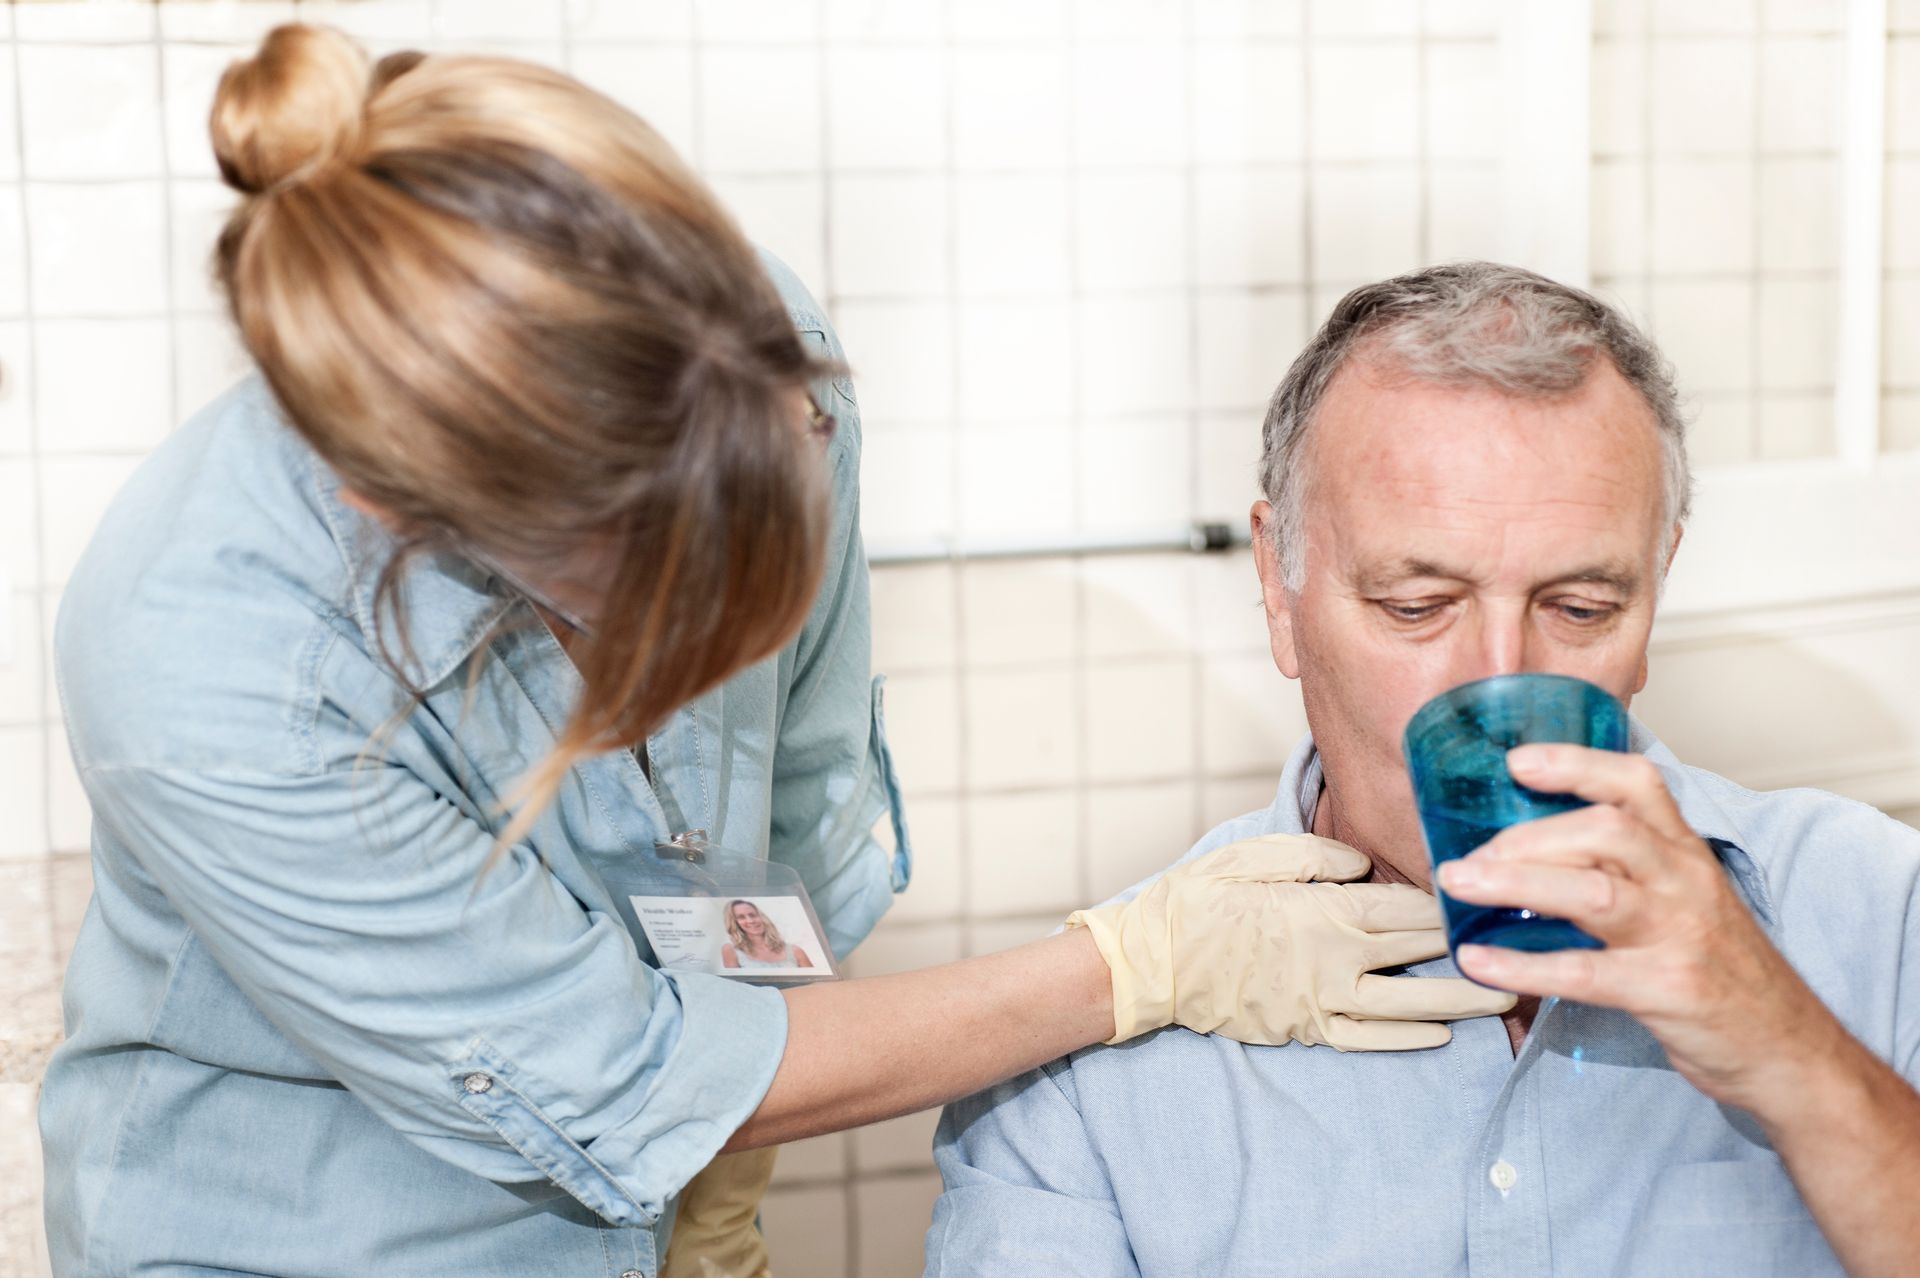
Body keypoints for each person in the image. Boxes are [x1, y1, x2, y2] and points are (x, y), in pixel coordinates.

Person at [35, 27, 1514, 1278]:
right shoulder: (213, 667)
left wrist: (723, 1171)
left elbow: (776, 802)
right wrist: (1138, 965)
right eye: (675, 575)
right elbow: (613, 1080)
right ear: (451, 524)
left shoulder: (755, 359)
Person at [929, 263, 1920, 1277]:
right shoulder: (1077, 1067)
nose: (1497, 682)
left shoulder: (1881, 917)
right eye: (1417, 606)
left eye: (1580, 607)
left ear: (1657, 586)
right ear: (1280, 588)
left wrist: (1802, 1062)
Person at [721, 900, 814, 970]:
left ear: (762, 917)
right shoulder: (730, 950)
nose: (750, 921)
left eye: (753, 915)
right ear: (734, 923)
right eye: (741, 917)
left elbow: (815, 985)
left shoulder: (795, 951)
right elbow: (735, 988)